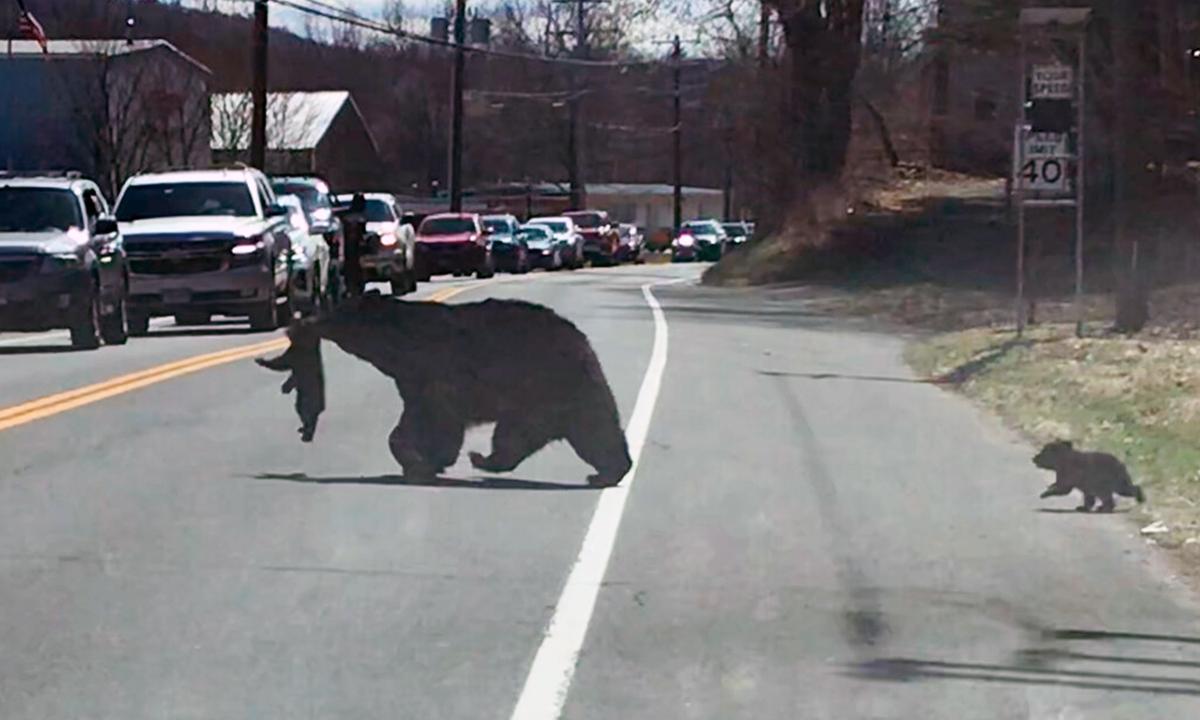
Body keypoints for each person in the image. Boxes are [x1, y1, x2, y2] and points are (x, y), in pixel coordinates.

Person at [342, 193, 367, 297]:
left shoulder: (347, 217)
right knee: (356, 267)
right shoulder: (361, 218)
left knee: (350, 267)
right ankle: (355, 287)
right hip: (354, 246)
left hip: (348, 247)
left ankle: (350, 287)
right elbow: (362, 233)